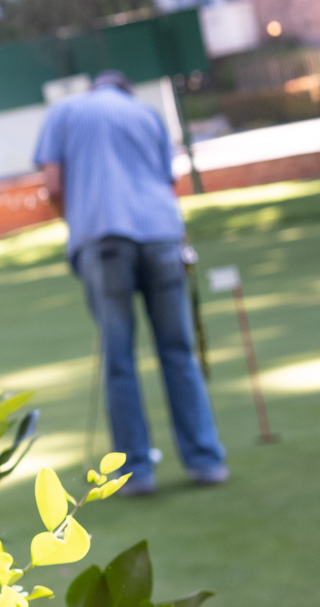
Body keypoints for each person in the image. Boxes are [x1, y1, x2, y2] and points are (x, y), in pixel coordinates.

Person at [34, 72, 229, 495]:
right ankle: (206, 461)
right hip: (162, 236)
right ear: (126, 89)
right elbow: (167, 181)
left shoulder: (65, 111)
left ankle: (135, 473)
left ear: (94, 89)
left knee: (119, 360)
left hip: (104, 240)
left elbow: (52, 184)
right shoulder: (146, 114)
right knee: (178, 351)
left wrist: (78, 221)